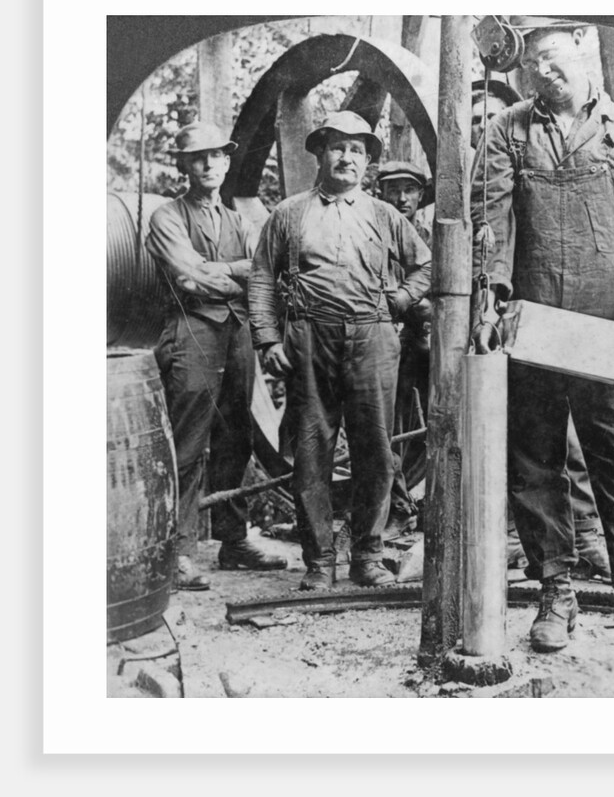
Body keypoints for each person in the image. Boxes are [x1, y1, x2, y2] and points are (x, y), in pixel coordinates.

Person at [471, 17, 614, 652]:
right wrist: (490, 297)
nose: (543, 73)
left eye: (555, 59)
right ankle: (556, 594)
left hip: (607, 331)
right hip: (529, 327)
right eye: (532, 65)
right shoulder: (506, 132)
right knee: (534, 465)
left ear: (584, 51)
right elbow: (491, 224)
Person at [249, 111, 432, 591]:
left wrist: (400, 300)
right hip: (310, 339)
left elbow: (425, 267)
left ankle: (367, 556)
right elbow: (263, 278)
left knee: (375, 449)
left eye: (356, 149)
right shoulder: (288, 214)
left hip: (373, 337)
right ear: (320, 153)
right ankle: (319, 562)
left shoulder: (384, 214)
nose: (346, 156)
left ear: (367, 161)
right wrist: (267, 339)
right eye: (337, 146)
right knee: (312, 451)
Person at [471, 79, 612, 581]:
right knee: (533, 454)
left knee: (600, 451)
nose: (479, 128)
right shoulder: (482, 173)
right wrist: (488, 308)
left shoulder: (588, 144)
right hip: (520, 320)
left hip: (587, 315)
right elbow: (491, 238)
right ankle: (556, 582)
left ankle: (601, 549)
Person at [147, 122, 287, 591]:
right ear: (183, 164)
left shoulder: (240, 221)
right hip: (191, 332)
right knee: (187, 443)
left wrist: (222, 273)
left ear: (227, 163)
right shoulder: (167, 217)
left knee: (237, 438)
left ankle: (233, 541)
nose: (208, 164)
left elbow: (263, 271)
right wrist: (236, 274)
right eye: (197, 157)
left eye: (216, 156)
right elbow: (188, 278)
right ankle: (179, 551)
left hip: (237, 333)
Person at [375, 161, 433, 537]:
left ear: (420, 195)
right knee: (386, 427)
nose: (401, 198)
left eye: (409, 190)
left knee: (441, 420)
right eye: (392, 190)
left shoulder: (433, 235)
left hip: (429, 342)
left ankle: (434, 504)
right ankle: (398, 507)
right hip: (386, 342)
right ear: (380, 194)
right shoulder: (372, 231)